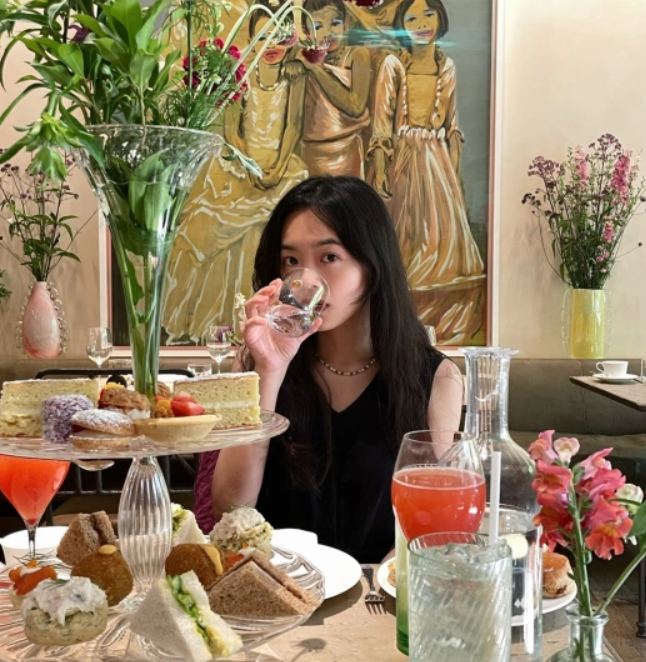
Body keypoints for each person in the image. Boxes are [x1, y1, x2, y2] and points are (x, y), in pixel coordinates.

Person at [194, 176, 463, 562]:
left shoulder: (436, 379)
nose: (305, 281)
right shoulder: (256, 363)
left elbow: (430, 522)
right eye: (291, 261)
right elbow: (231, 510)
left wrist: (385, 582)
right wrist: (270, 370)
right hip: (277, 584)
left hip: (377, 590)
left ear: (372, 263)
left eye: (329, 257)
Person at [163, 8, 307, 342]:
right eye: (264, 36)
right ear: (253, 38)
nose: (272, 45)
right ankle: (222, 325)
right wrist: (251, 167)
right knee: (215, 231)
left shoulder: (295, 75)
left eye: (279, 37)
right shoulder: (239, 76)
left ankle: (276, 328)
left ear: (290, 39)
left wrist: (277, 169)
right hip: (239, 165)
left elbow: (293, 127)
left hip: (281, 167)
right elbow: (232, 131)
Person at [368, 0, 485, 344]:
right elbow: (381, 123)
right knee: (409, 239)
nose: (421, 23)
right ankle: (403, 324)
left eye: (428, 14)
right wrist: (381, 167)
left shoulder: (447, 66)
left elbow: (452, 125)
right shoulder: (393, 65)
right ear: (401, 25)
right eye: (412, 17)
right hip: (404, 161)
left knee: (442, 239)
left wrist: (456, 178)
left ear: (440, 18)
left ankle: (441, 326)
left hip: (438, 163)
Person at [297, 0, 371, 177]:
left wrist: (315, 69)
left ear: (346, 25)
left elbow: (355, 106)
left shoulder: (357, 55)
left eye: (335, 23)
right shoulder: (302, 57)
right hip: (312, 151)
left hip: (347, 149)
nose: (328, 32)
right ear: (307, 31)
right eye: (317, 26)